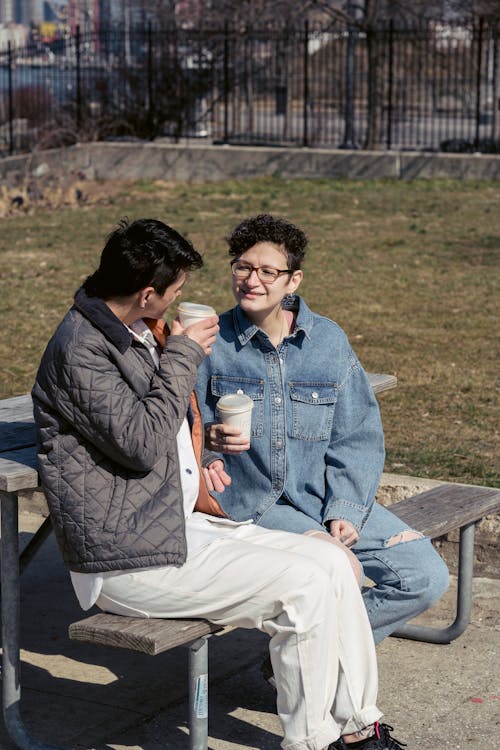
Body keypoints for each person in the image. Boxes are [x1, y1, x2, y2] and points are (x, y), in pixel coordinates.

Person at [32, 218, 406, 750]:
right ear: (147, 293)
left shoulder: (135, 329)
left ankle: (359, 730)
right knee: (302, 587)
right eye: (178, 290)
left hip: (175, 525)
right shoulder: (81, 350)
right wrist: (186, 354)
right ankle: (312, 742)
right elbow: (138, 442)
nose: (184, 297)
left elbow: (158, 427)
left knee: (331, 564)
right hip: (129, 556)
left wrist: (203, 454)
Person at [195, 213, 450, 646]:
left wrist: (346, 508)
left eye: (268, 272)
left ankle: (305, 656)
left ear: (293, 281)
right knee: (336, 572)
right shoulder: (209, 343)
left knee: (424, 576)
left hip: (322, 497)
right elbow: (180, 430)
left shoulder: (328, 342)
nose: (251, 280)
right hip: (253, 502)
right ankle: (314, 669)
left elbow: (358, 437)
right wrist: (210, 448)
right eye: (243, 266)